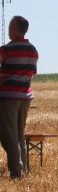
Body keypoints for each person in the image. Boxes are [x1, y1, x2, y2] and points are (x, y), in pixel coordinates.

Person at [0, 16, 38, 179]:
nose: (8, 29)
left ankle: (16, 172)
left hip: (8, 96)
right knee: (19, 134)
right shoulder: (33, 50)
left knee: (9, 136)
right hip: (25, 96)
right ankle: (24, 169)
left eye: (10, 26)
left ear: (15, 30)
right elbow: (31, 72)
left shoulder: (6, 49)